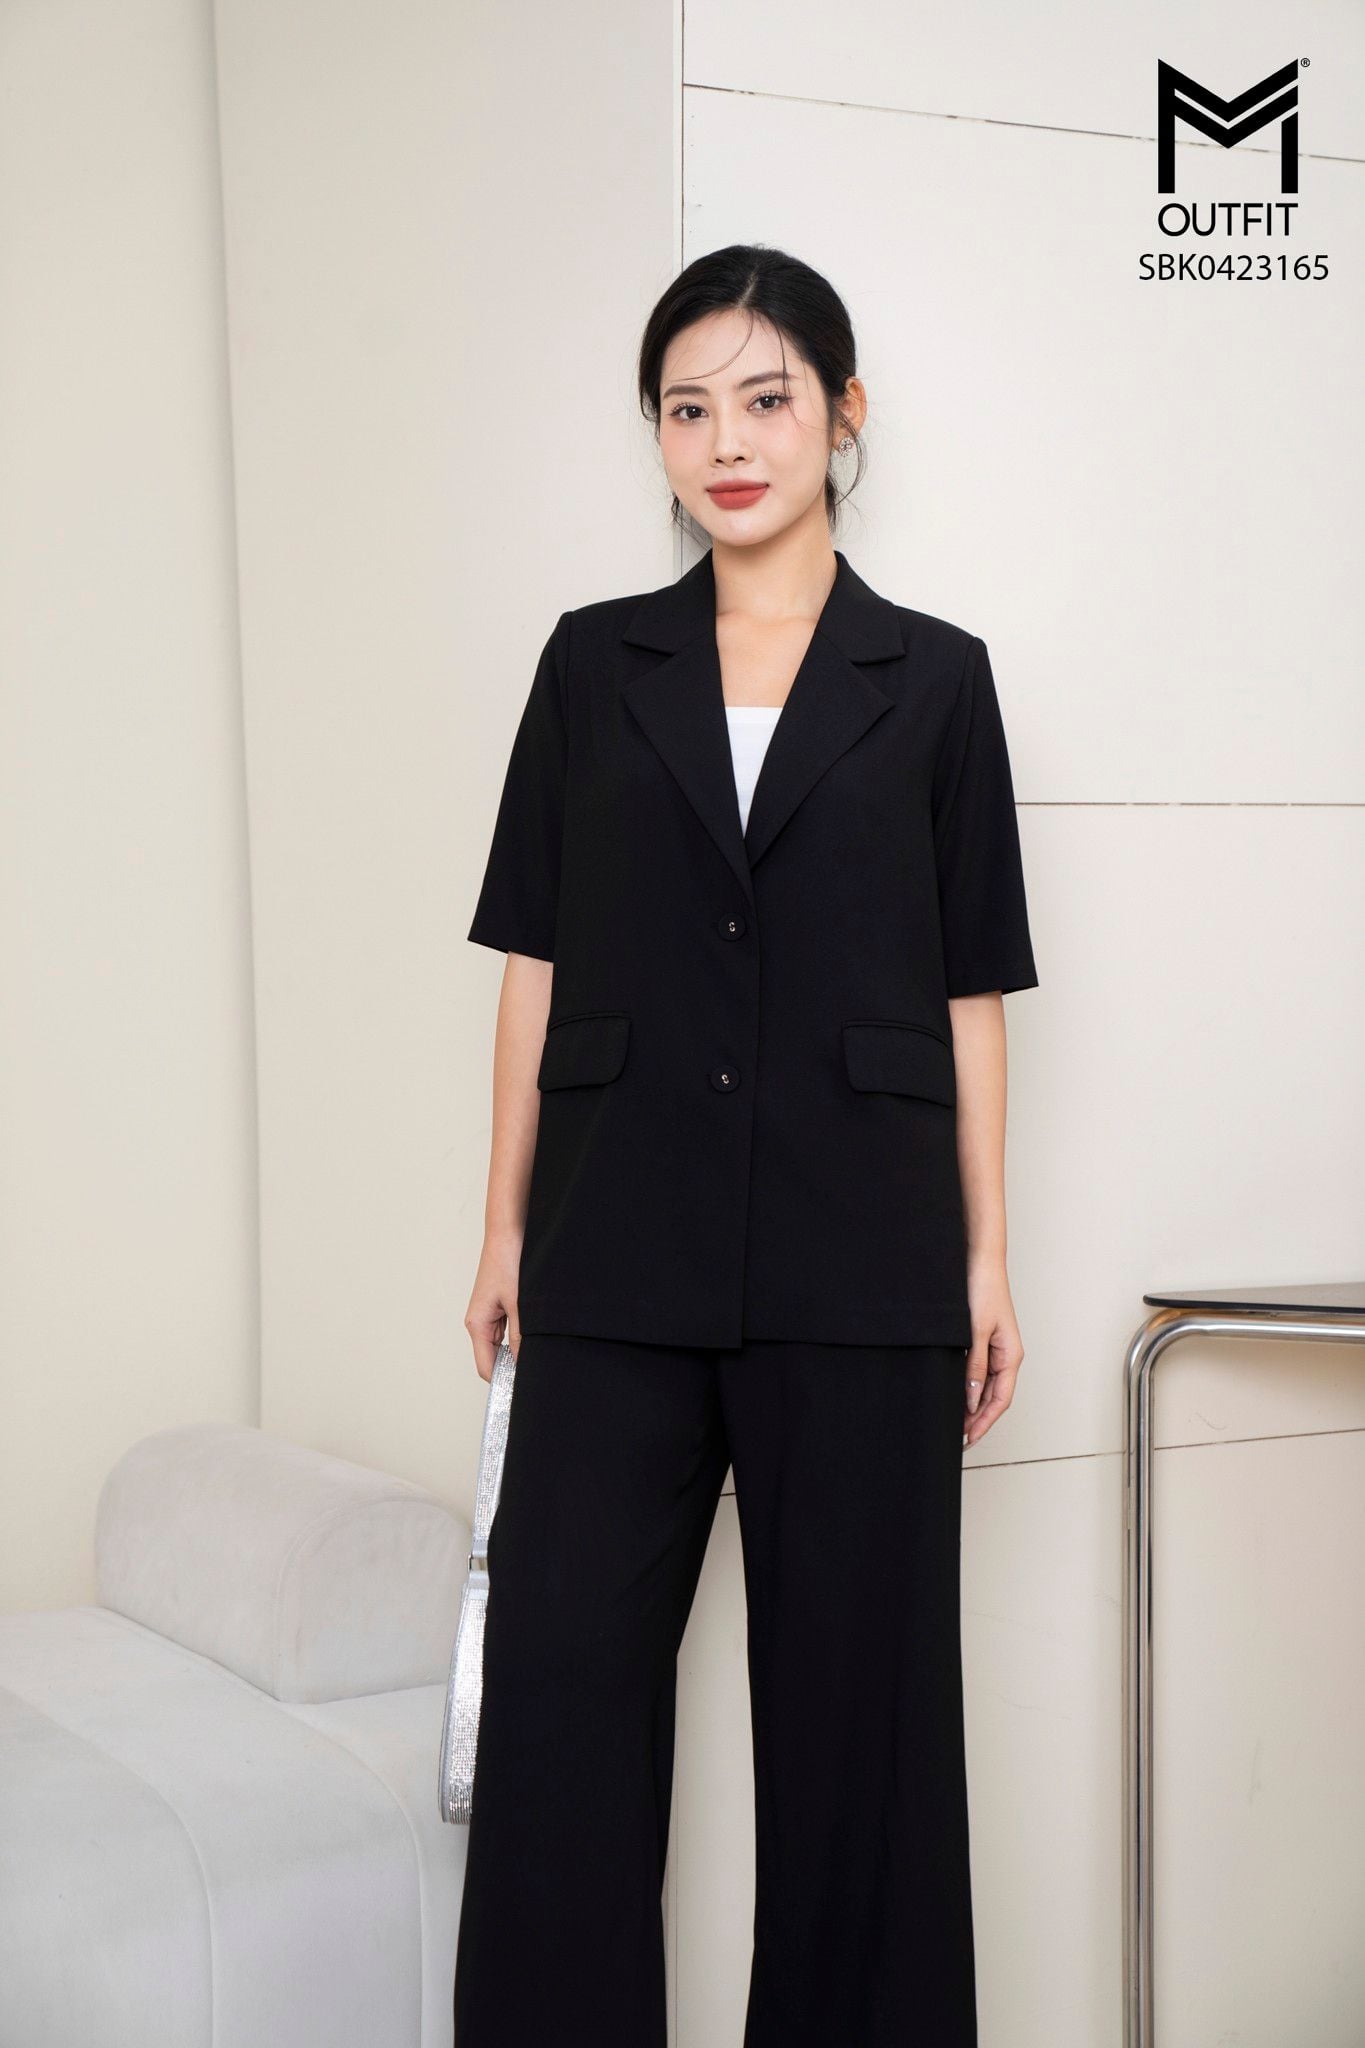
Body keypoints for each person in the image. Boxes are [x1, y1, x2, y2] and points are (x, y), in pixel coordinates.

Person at [452, 242, 1039, 2048]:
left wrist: (985, 1257)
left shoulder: (934, 682)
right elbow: (536, 961)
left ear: (842, 415)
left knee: (863, 1739)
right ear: (655, 434)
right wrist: (501, 1231)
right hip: (613, 1246)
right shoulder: (590, 664)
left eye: (766, 400)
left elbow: (969, 993)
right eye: (686, 407)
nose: (726, 442)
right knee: (559, 1712)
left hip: (861, 1259)